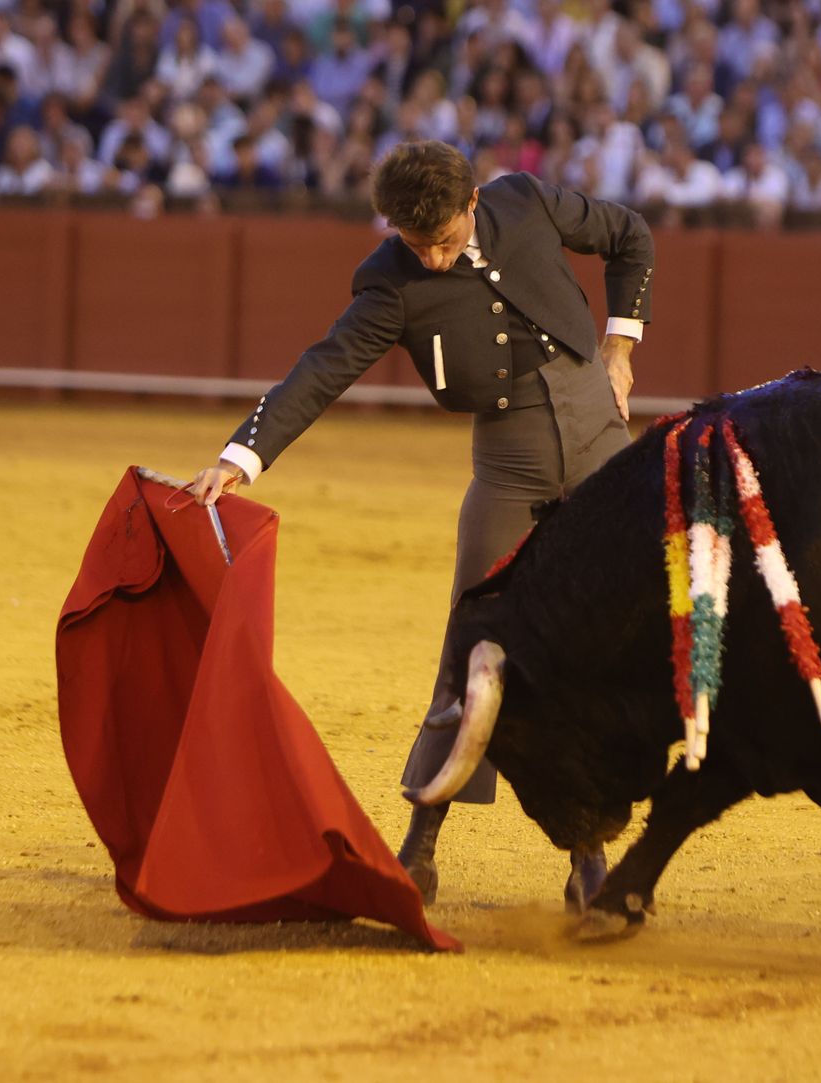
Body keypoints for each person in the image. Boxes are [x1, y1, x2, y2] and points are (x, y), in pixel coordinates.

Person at [187, 139, 654, 910]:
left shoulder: (525, 202)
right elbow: (322, 369)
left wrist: (620, 344)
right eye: (416, 244)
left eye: (443, 240)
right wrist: (242, 457)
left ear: (473, 204)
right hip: (508, 461)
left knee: (593, 650)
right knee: (471, 644)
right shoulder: (391, 281)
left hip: (602, 440)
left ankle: (590, 854)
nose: (433, 260)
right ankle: (423, 841)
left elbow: (630, 234)